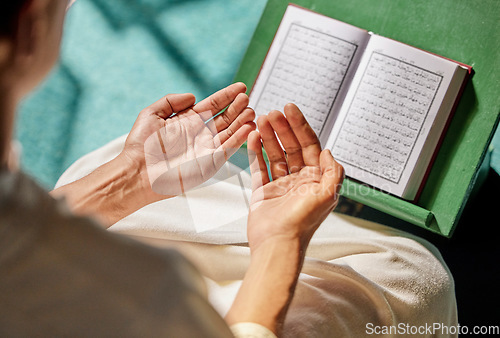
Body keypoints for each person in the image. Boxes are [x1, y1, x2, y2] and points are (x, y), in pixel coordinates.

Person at [0, 0, 345, 336]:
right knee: (366, 279)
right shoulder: (147, 295)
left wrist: (131, 175)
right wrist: (280, 240)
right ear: (30, 23)